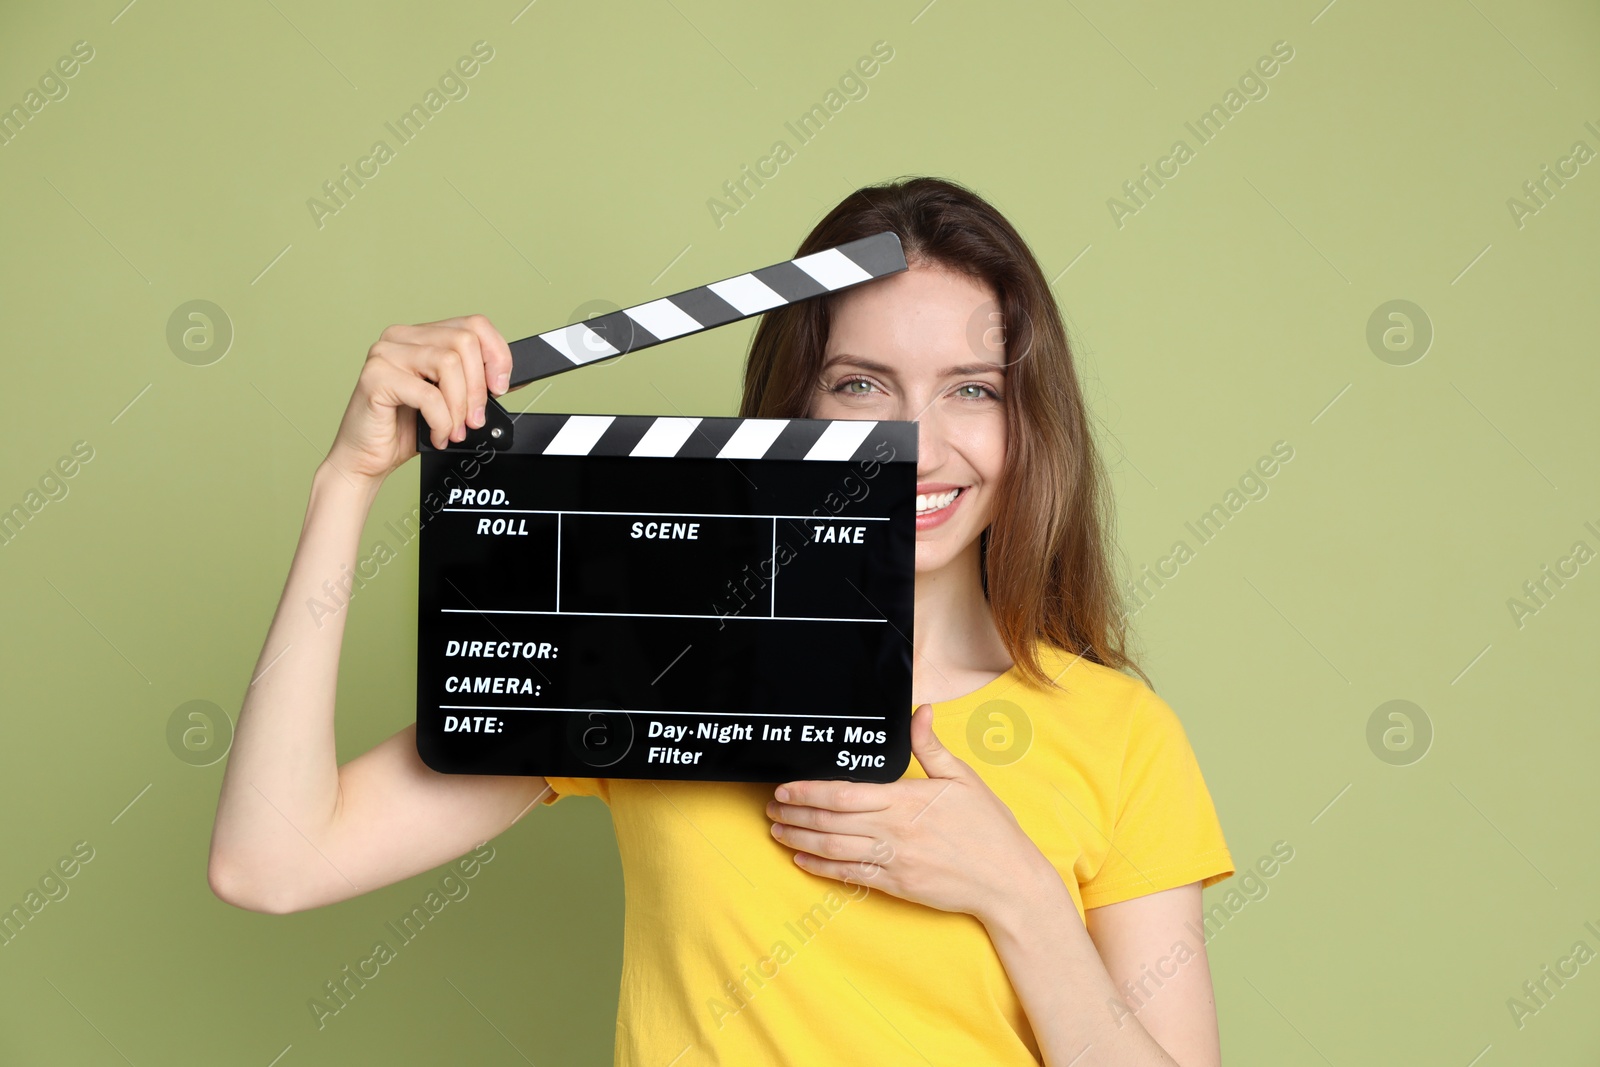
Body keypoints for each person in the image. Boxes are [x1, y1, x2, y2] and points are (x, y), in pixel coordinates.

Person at [208, 175, 1234, 1066]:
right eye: (861, 383)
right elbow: (272, 860)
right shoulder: (653, 659)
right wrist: (344, 483)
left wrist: (1017, 893)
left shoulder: (1121, 733)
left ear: (1028, 421)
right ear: (792, 407)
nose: (918, 444)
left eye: (972, 388)